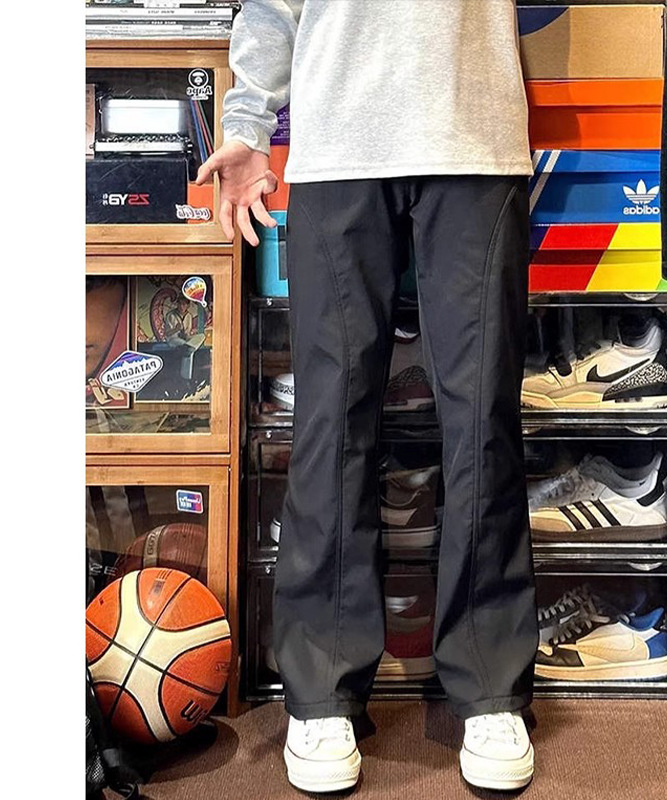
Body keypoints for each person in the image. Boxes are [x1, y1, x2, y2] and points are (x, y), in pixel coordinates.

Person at [197, 0, 539, 792]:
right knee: (331, 420)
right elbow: (273, 7)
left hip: (474, 132)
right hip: (340, 141)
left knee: (483, 419)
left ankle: (490, 685)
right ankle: (323, 691)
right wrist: (248, 121)